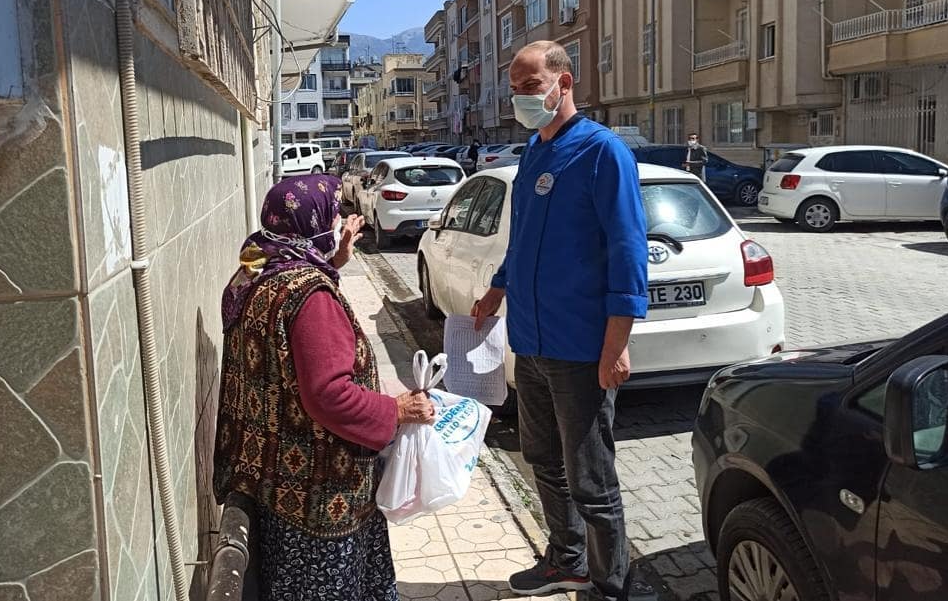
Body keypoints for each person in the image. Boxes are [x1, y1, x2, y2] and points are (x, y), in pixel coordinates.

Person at [471, 42, 648, 601]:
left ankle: (611, 584)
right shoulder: (532, 153)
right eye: (515, 88)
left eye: (530, 85)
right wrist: (497, 290)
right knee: (544, 461)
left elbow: (627, 251)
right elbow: (522, 242)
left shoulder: (602, 152)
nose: (521, 97)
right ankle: (565, 561)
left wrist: (616, 343)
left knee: (591, 477)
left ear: (563, 82)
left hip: (581, 347)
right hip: (531, 339)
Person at [214, 175, 434, 601]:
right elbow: (328, 394)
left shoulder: (260, 268)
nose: (337, 221)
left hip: (278, 486)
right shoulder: (311, 296)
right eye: (332, 214)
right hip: (320, 500)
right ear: (309, 221)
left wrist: (335, 259)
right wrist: (398, 410)